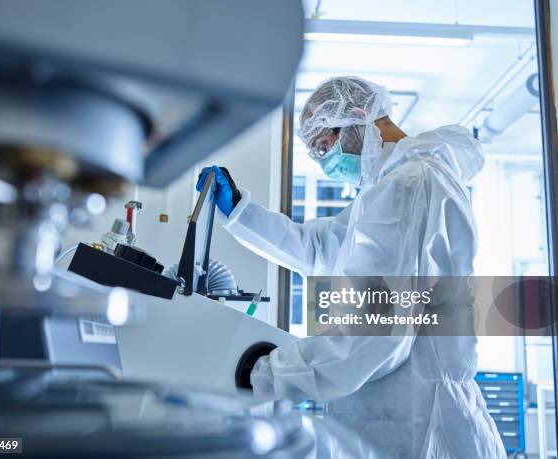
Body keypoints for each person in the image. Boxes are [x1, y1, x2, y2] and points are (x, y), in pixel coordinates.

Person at [197, 76, 505, 458]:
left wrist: (263, 373)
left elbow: (374, 334)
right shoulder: (397, 185)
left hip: (420, 426)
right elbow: (318, 248)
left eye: (324, 146)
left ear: (358, 118)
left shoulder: (408, 186)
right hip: (415, 416)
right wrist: (240, 211)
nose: (326, 163)